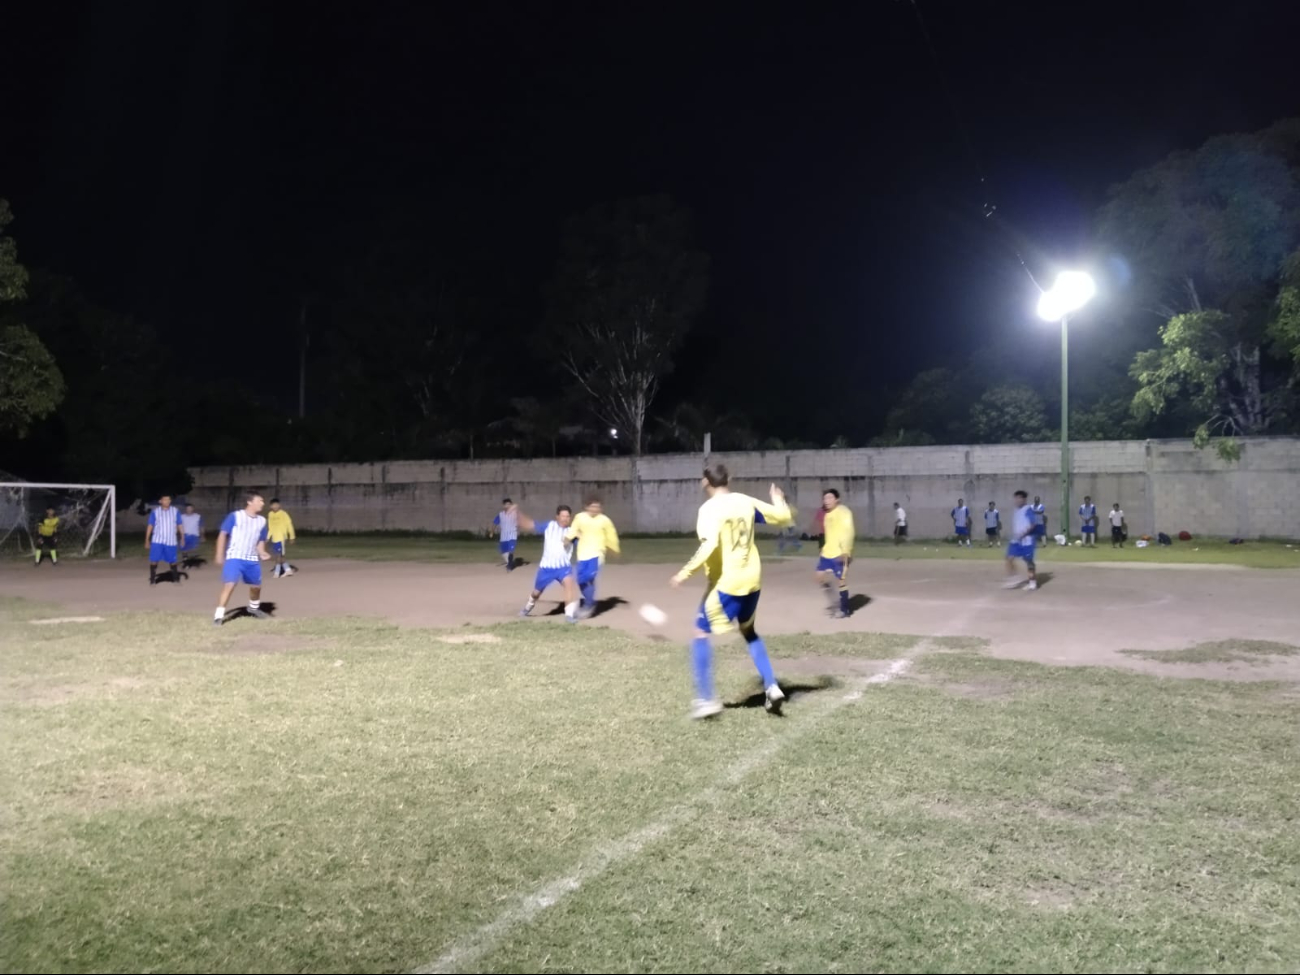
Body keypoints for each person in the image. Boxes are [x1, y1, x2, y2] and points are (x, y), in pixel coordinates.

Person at [670, 465, 794, 719]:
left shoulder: (708, 509)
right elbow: (782, 518)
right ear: (730, 479)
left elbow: (709, 545)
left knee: (700, 632)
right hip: (753, 579)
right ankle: (771, 685)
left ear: (705, 482)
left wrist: (683, 573)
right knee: (748, 631)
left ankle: (706, 700)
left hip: (728, 582)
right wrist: (778, 500)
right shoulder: (744, 501)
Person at [213, 491, 272, 626]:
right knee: (230, 584)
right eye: (260, 501)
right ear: (250, 502)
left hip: (251, 558)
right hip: (235, 556)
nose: (262, 503)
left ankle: (253, 608)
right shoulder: (235, 516)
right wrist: (219, 554)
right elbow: (223, 534)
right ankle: (218, 616)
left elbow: (260, 540)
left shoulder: (262, 521)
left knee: (256, 587)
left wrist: (262, 552)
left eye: (263, 501)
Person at [515, 504, 580, 622]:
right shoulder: (549, 526)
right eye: (563, 516)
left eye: (568, 516)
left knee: (569, 584)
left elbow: (584, 546)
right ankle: (527, 608)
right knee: (536, 593)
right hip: (546, 568)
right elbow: (531, 525)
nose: (565, 518)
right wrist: (518, 515)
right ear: (557, 517)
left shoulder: (572, 532)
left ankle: (569, 616)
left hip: (563, 567)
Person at [566, 494, 621, 617]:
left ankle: (589, 605)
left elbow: (611, 534)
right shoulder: (579, 517)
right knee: (581, 581)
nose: (595, 509)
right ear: (586, 507)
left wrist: (614, 548)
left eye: (598, 507)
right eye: (592, 506)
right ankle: (589, 600)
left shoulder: (604, 520)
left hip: (597, 554)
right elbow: (573, 530)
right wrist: (567, 539)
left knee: (587, 578)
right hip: (582, 554)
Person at [815, 488, 855, 618]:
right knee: (819, 577)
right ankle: (834, 603)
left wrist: (846, 551)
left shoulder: (844, 512)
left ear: (837, 499)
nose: (827, 501)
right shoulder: (827, 515)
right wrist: (823, 549)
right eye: (825, 498)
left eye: (830, 498)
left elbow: (849, 532)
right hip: (827, 553)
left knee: (841, 581)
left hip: (840, 553)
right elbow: (829, 535)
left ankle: (844, 610)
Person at [1003, 490, 1039, 591]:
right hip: (1016, 540)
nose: (1017, 500)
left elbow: (1033, 524)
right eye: (1016, 498)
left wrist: (1024, 534)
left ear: (1024, 499)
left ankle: (1032, 582)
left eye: (1019, 498)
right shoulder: (1015, 510)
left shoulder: (1028, 509)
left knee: (1029, 561)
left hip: (1027, 540)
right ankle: (1014, 578)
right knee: (1008, 558)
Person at [145, 494, 185, 585]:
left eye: (169, 500)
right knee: (154, 560)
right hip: (157, 540)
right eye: (165, 500)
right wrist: (147, 539)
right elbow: (150, 525)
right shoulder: (155, 512)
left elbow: (180, 525)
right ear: (160, 501)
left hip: (171, 540)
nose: (167, 501)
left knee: (173, 561)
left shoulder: (175, 511)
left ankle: (176, 579)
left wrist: (182, 537)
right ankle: (152, 580)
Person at [266, 498, 297, 578]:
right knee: (280, 555)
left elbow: (289, 525)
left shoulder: (283, 514)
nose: (275, 506)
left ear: (279, 505)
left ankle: (277, 572)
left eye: (277, 504)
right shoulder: (270, 514)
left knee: (278, 555)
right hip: (274, 538)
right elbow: (270, 527)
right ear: (270, 506)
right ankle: (288, 570)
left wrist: (292, 536)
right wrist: (268, 537)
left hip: (281, 537)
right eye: (273, 505)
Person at [492, 499, 519, 571]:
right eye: (506, 504)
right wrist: (492, 531)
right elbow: (495, 523)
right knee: (503, 551)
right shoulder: (501, 515)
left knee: (511, 550)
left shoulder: (515, 514)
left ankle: (509, 567)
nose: (508, 506)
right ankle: (510, 562)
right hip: (503, 536)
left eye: (509, 504)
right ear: (503, 506)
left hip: (512, 535)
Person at [180, 503, 204, 567]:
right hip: (185, 535)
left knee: (193, 550)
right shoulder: (182, 517)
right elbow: (179, 526)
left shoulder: (197, 516)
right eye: (188, 508)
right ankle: (185, 562)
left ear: (193, 509)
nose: (189, 510)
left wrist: (202, 536)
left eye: (190, 508)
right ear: (186, 509)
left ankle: (194, 562)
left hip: (194, 535)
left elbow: (201, 527)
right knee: (184, 550)